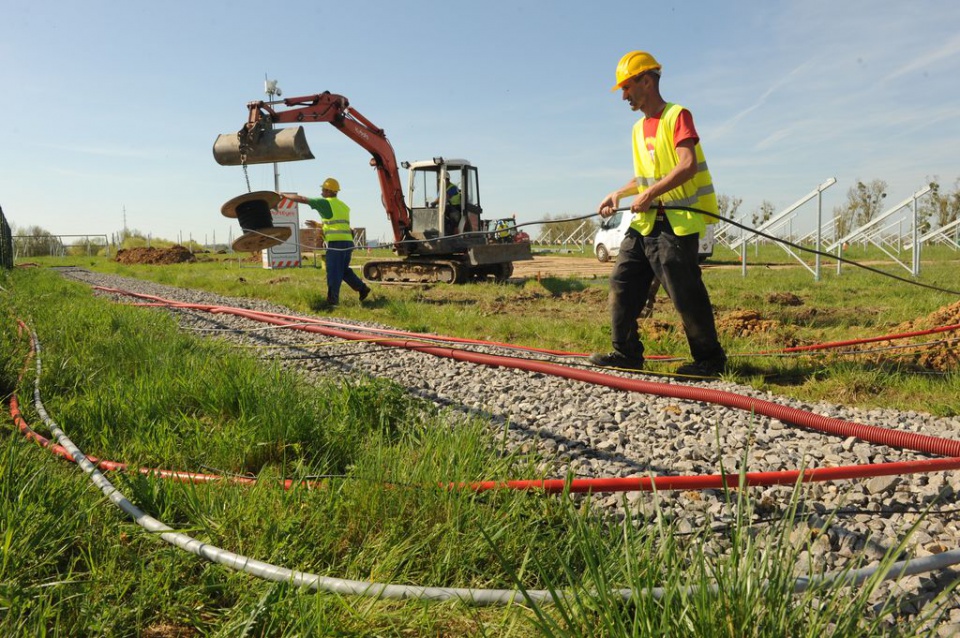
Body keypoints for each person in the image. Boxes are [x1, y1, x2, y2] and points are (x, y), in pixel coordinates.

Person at [589, 50, 726, 378]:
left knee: (684, 292)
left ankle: (709, 360)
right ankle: (626, 353)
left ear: (646, 81)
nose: (623, 95)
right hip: (645, 223)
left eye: (627, 87)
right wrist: (620, 192)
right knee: (621, 280)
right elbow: (647, 174)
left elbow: (686, 165)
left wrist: (650, 194)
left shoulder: (677, 115)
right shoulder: (638, 129)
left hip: (675, 222)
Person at [283, 177, 371, 306]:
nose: (321, 193)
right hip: (347, 243)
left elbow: (303, 199)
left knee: (334, 271)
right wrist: (319, 225)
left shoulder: (326, 203)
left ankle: (332, 301)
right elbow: (336, 225)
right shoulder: (343, 206)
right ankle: (362, 289)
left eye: (323, 190)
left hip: (336, 244)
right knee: (343, 270)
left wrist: (282, 195)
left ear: (329, 191)